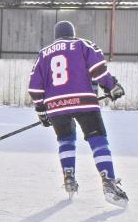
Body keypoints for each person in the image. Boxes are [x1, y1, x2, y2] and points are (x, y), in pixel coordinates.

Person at [28, 20, 128, 204]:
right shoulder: (83, 44)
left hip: (56, 105)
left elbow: (35, 88)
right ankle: (108, 183)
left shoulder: (44, 53)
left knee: (65, 140)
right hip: (84, 101)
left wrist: (41, 110)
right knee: (98, 140)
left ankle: (69, 178)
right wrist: (111, 86)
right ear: (72, 33)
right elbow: (98, 70)